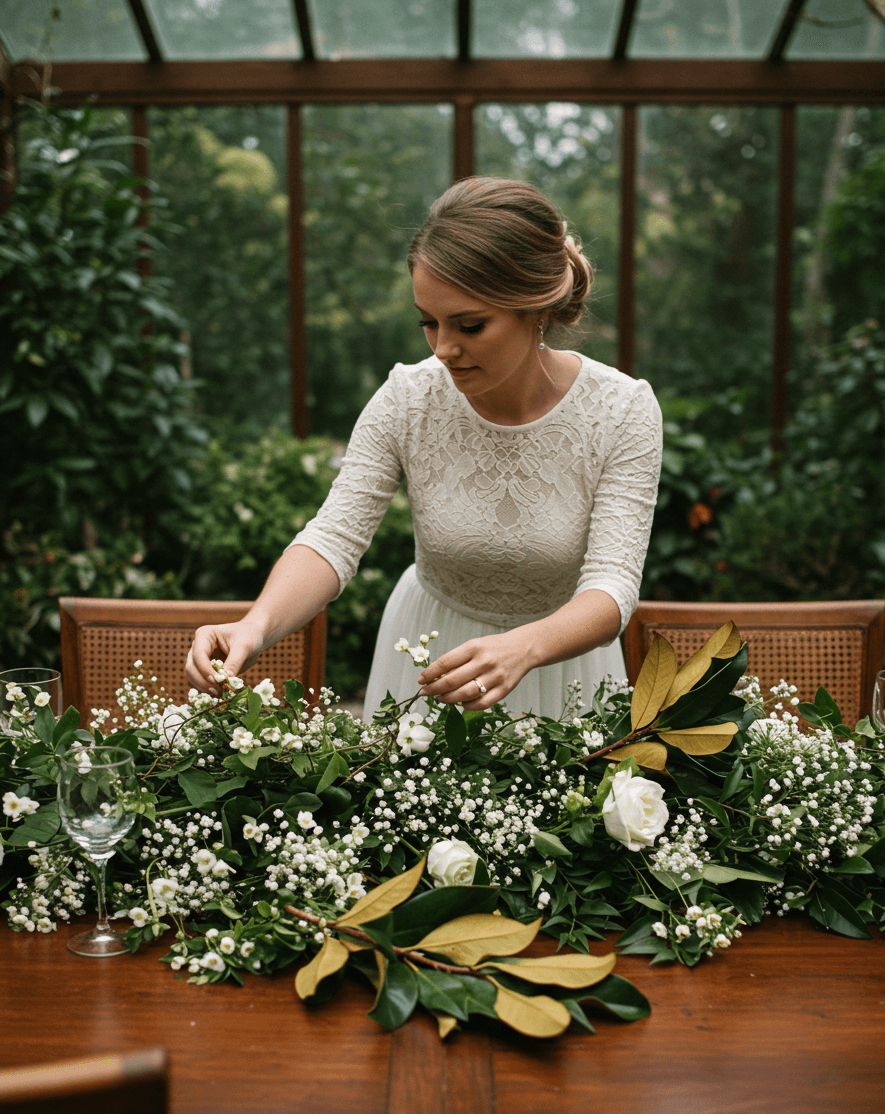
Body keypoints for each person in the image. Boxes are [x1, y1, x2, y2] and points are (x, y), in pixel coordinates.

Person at [186, 176, 663, 720]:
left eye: (469, 325)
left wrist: (525, 648)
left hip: (562, 666)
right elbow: (334, 536)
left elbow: (613, 584)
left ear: (535, 309)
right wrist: (256, 624)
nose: (444, 348)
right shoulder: (408, 397)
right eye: (428, 323)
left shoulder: (623, 409)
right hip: (424, 656)